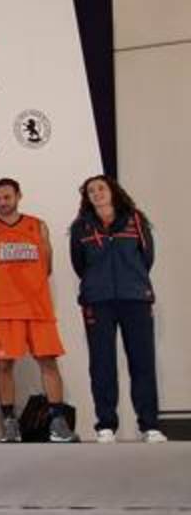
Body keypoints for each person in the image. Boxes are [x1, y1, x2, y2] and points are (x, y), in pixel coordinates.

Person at [0, 178, 77, 443]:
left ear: (19, 196)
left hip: (37, 307)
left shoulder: (37, 226)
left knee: (48, 362)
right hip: (4, 310)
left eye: (7, 197)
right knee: (4, 364)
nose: (2, 202)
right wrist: (0, 290)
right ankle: (10, 422)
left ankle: (57, 421)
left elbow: (48, 266)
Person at [69, 175, 166, 444]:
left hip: (135, 298)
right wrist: (96, 285)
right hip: (97, 302)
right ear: (86, 197)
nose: (97, 193)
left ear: (113, 191)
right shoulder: (81, 227)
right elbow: (79, 264)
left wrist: (131, 281)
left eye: (101, 188)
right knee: (101, 364)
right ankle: (106, 425)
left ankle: (150, 426)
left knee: (142, 362)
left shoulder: (135, 220)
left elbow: (147, 258)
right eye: (91, 191)